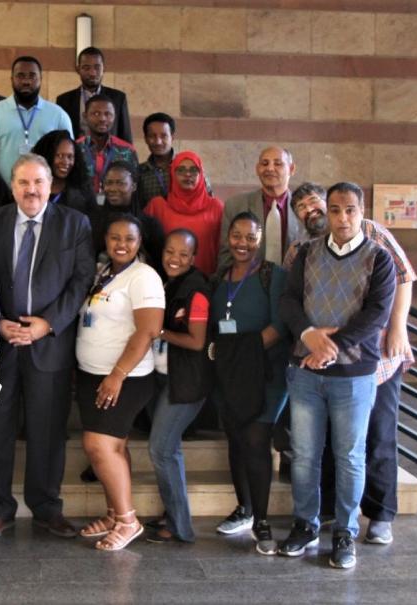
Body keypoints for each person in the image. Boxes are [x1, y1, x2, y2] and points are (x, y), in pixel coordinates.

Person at [286, 183, 416, 545]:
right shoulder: (304, 250)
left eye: (350, 209)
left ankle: (371, 518)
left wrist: (332, 344)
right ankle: (313, 521)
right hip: (309, 367)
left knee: (369, 445)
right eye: (333, 210)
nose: (341, 217)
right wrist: (310, 335)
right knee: (310, 453)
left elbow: (379, 309)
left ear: (362, 210)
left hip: (365, 366)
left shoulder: (378, 247)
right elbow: (291, 301)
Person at [0, 154, 94, 540]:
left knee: (48, 430)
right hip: (0, 345)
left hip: (49, 346)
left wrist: (49, 324)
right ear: (12, 186)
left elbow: (81, 281)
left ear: (50, 185)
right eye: (24, 183)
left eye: (39, 182)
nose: (31, 190)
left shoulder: (74, 224)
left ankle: (46, 508)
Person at [75, 214, 164, 551]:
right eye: (115, 237)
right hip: (92, 373)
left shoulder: (144, 277)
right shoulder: (105, 273)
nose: (121, 244)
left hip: (124, 377)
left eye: (129, 238)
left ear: (139, 242)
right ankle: (114, 512)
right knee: (112, 447)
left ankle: (128, 521)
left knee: (98, 446)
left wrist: (117, 375)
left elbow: (148, 330)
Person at [208, 212, 289, 556]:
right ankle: (244, 509)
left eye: (250, 237)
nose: (243, 243)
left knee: (256, 438)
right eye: (237, 236)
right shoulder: (219, 279)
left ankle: (262, 521)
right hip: (228, 375)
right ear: (228, 237)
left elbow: (280, 324)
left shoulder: (272, 275)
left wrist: (244, 353)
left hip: (265, 374)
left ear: (260, 240)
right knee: (237, 437)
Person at [146, 229, 211, 544]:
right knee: (168, 449)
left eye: (184, 254)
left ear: (193, 258)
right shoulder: (168, 283)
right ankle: (172, 513)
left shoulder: (197, 291)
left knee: (161, 448)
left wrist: (158, 331)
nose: (175, 259)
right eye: (170, 251)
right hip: (163, 376)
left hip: (185, 383)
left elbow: (197, 342)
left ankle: (180, 525)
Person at [0, 56, 73, 181]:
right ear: (12, 79)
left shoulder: (58, 115)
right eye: (20, 76)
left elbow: (69, 157)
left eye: (32, 76)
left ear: (41, 79)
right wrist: (0, 189)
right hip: (4, 195)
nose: (26, 81)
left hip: (45, 194)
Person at [219, 146, 302, 269]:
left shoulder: (305, 210)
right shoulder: (235, 206)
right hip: (246, 284)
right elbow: (225, 258)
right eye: (264, 163)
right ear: (257, 169)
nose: (270, 168)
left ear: (291, 169)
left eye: (278, 164)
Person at [144, 151, 224, 275]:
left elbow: (224, 249)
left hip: (207, 282)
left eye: (193, 170)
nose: (187, 174)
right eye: (181, 170)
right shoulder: (158, 206)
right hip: (165, 281)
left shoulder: (216, 207)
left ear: (201, 174)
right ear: (172, 174)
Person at [92, 160, 165, 269]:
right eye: (109, 182)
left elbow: (159, 266)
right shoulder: (93, 221)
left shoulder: (150, 226)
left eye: (120, 183)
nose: (113, 188)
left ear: (134, 186)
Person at [56, 47, 132, 142]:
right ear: (78, 69)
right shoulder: (64, 100)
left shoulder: (118, 98)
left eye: (97, 67)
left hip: (110, 155)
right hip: (77, 154)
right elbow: (59, 137)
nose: (92, 73)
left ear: (104, 68)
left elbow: (125, 136)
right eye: (86, 68)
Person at [137, 113, 212, 209]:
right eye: (152, 136)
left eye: (163, 136)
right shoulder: (140, 172)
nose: (158, 141)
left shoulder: (190, 166)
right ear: (146, 139)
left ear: (172, 137)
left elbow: (208, 200)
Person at [77, 94, 138, 200]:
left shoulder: (127, 150)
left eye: (108, 114)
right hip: (81, 210)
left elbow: (135, 185)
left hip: (116, 210)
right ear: (85, 116)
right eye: (96, 113)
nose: (102, 119)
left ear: (114, 116)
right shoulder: (75, 148)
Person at [31, 129, 94, 217]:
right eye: (60, 156)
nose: (66, 162)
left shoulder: (82, 191)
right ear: (46, 156)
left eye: (70, 156)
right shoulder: (30, 188)